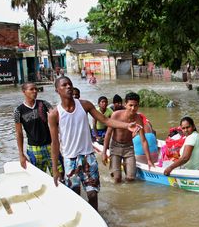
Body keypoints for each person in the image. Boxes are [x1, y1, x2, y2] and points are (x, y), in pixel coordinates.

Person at [49, 77, 138, 211]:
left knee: (92, 193)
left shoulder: (85, 105)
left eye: (70, 84)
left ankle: (97, 217)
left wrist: (126, 126)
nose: (68, 87)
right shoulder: (55, 114)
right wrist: (55, 168)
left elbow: (105, 120)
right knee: (75, 193)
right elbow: (54, 142)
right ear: (57, 90)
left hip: (88, 156)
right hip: (69, 158)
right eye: (64, 85)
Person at [102, 92, 154, 183]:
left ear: (138, 106)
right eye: (130, 105)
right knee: (117, 179)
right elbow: (108, 134)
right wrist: (104, 152)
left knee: (130, 178)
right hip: (115, 147)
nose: (133, 108)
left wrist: (149, 160)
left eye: (135, 106)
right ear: (125, 104)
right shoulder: (116, 115)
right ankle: (114, 173)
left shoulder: (138, 119)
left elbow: (143, 140)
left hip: (129, 148)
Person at [14, 82, 62, 176]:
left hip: (50, 145)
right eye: (31, 89)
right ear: (24, 92)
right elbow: (19, 133)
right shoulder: (18, 111)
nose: (35, 91)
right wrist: (21, 154)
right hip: (33, 149)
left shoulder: (43, 104)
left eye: (36, 89)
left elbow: (56, 117)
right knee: (39, 177)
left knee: (60, 174)